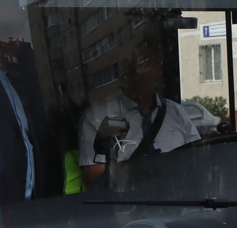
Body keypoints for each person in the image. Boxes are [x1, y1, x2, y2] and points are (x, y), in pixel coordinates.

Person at [77, 44, 200, 185]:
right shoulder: (98, 116)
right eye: (129, 65)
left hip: (179, 199)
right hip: (126, 204)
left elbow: (198, 159)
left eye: (144, 63)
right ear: (123, 73)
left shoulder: (175, 112)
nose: (137, 71)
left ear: (159, 69)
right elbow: (95, 181)